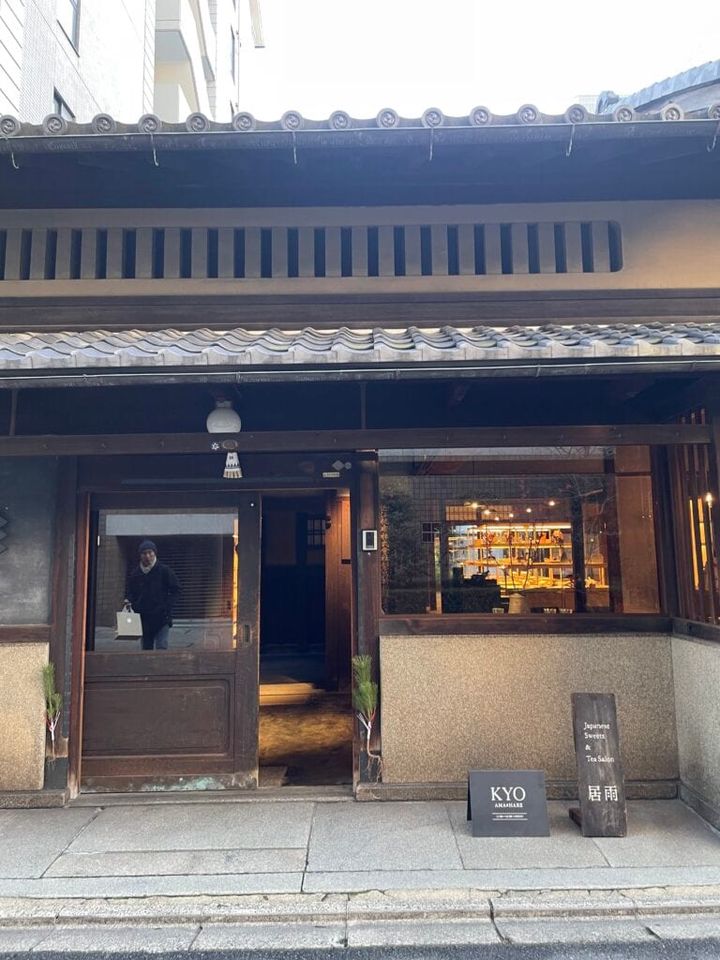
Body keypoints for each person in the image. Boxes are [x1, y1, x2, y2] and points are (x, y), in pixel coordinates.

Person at [124, 540, 181, 651]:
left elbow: (176, 589)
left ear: (155, 553)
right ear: (140, 555)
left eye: (150, 552)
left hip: (162, 617)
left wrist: (167, 606)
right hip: (144, 618)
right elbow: (131, 592)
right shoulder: (135, 574)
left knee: (162, 647)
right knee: (146, 649)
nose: (148, 556)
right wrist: (129, 601)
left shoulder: (164, 570)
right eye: (144, 553)